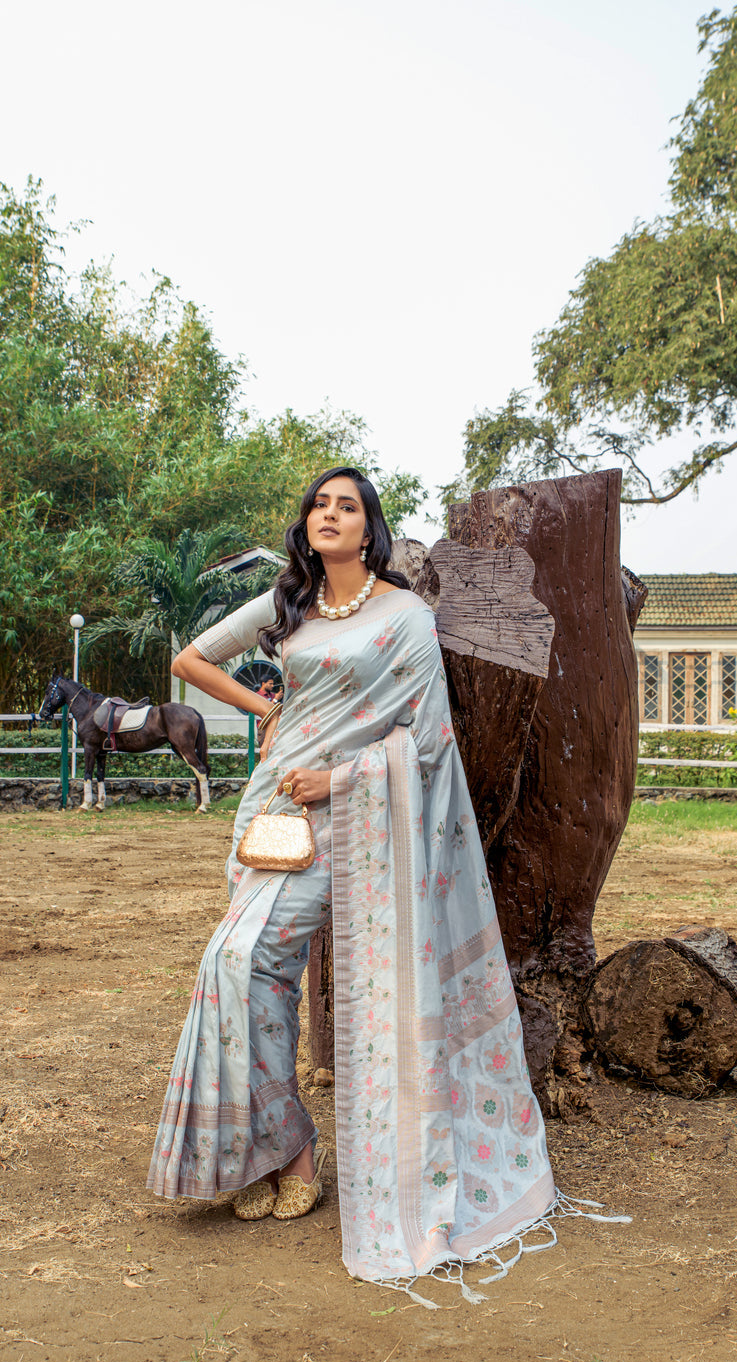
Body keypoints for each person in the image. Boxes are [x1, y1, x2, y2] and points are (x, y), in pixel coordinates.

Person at [148, 466, 594, 1300]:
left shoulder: (405, 616)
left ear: (370, 529)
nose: (328, 514)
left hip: (350, 817)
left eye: (345, 506)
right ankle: (284, 1146)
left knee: (252, 962)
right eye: (319, 504)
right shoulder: (287, 604)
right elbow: (189, 659)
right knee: (236, 967)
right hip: (273, 815)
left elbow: (426, 743)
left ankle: (286, 1147)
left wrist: (344, 778)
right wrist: (263, 709)